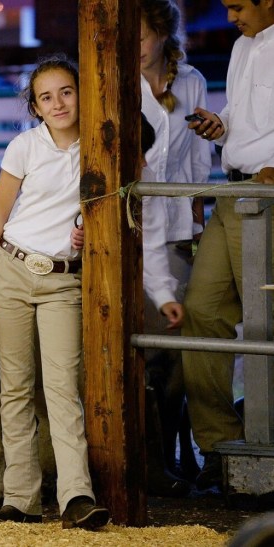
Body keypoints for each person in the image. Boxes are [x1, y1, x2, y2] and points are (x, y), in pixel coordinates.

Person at [0, 54, 109, 530]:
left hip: (61, 281)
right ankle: (21, 497)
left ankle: (76, 495)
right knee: (15, 386)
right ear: (34, 106)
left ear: (81, 92)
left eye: (66, 92)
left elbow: (104, 207)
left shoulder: (98, 145)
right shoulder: (24, 148)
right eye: (46, 97)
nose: (58, 103)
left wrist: (86, 229)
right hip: (11, 269)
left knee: (62, 387)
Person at [181, 0, 274, 491]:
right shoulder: (242, 46)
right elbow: (242, 118)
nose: (231, 15)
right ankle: (220, 445)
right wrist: (220, 125)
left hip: (266, 195)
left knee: (264, 323)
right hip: (232, 187)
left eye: (239, 5)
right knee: (201, 310)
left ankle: (265, 446)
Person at [72, 114, 190, 497]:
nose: (141, 163)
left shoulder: (142, 177)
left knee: (158, 357)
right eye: (133, 154)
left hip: (121, 282)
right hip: (74, 281)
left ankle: (154, 463)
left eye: (143, 153)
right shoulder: (75, 169)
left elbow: (152, 242)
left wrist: (166, 296)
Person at [139, 0, 212, 490]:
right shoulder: (112, 81)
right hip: (131, 233)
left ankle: (172, 456)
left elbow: (198, 160)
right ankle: (147, 462)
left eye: (141, 34)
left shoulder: (192, 81)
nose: (134, 45)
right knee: (142, 349)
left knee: (178, 355)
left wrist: (196, 216)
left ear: (163, 32)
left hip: (179, 233)